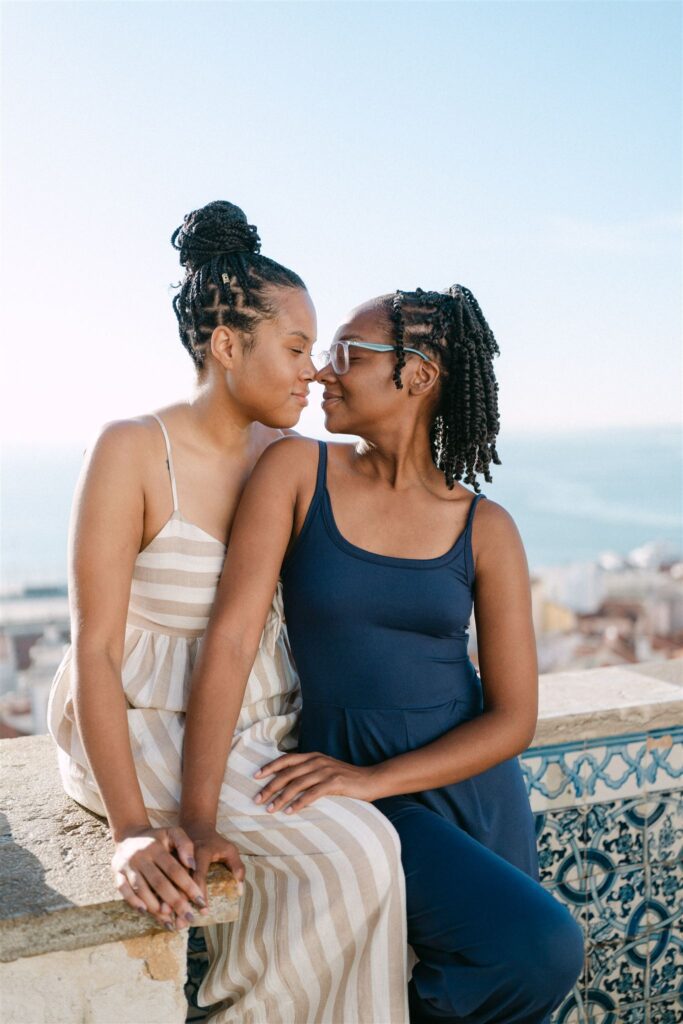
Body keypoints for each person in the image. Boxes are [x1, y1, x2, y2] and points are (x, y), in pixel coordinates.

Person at [47, 201, 410, 1024]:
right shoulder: (130, 449)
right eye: (294, 348)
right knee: (359, 851)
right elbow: (95, 653)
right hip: (145, 728)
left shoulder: (289, 458)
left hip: (260, 729)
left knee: (364, 856)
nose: (313, 371)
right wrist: (132, 830)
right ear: (225, 345)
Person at [183, 284, 585, 1024]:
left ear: (418, 376)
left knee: (518, 966)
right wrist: (198, 816)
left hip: (462, 787)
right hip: (353, 785)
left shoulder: (484, 526)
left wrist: (374, 779)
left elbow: (513, 717)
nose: (323, 372)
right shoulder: (299, 472)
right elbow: (232, 637)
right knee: (540, 946)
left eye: (346, 353)